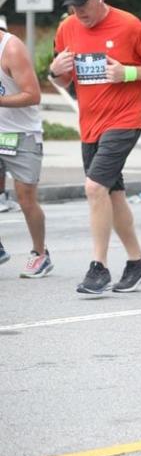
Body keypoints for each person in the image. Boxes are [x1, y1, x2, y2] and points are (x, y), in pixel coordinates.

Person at [48, 0, 141, 294]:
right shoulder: (67, 28)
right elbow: (62, 79)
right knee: (111, 194)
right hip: (90, 124)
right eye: (73, 7)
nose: (79, 13)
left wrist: (128, 73)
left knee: (93, 187)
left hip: (125, 119)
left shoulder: (129, 25)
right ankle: (137, 262)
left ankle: (98, 268)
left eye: (84, 5)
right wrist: (54, 72)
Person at [0, 26, 52, 277]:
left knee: (26, 199)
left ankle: (40, 253)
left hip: (22, 135)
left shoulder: (11, 48)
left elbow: (33, 95)